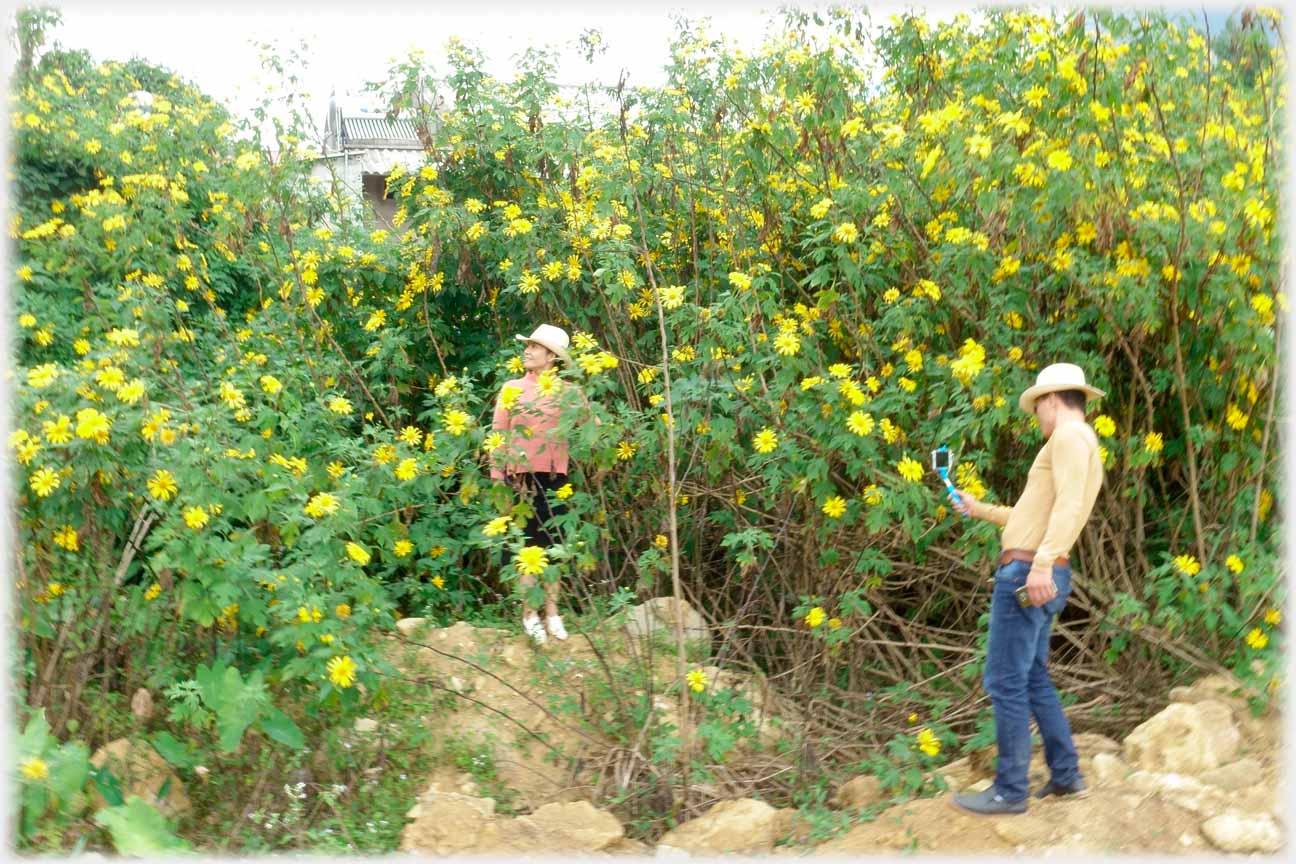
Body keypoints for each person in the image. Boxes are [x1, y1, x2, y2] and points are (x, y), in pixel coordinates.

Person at [948, 362, 1106, 815]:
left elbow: (1070, 505)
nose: (1036, 416)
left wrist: (1039, 565)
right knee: (1033, 676)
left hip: (1029, 572)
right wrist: (980, 510)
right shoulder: (1074, 441)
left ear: (1051, 400)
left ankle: (1010, 791)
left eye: (1037, 407)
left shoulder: (1070, 437)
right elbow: (1034, 514)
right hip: (1041, 567)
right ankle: (1066, 776)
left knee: (1004, 679)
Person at [488, 323, 600, 645]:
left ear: (552, 356)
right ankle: (529, 616)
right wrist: (499, 480)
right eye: (528, 346)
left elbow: (591, 426)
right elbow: (498, 435)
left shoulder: (569, 392)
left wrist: (596, 421)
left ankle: (552, 614)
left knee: (555, 546)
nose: (527, 350)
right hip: (520, 478)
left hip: (555, 478)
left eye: (535, 347)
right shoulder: (512, 387)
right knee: (527, 548)